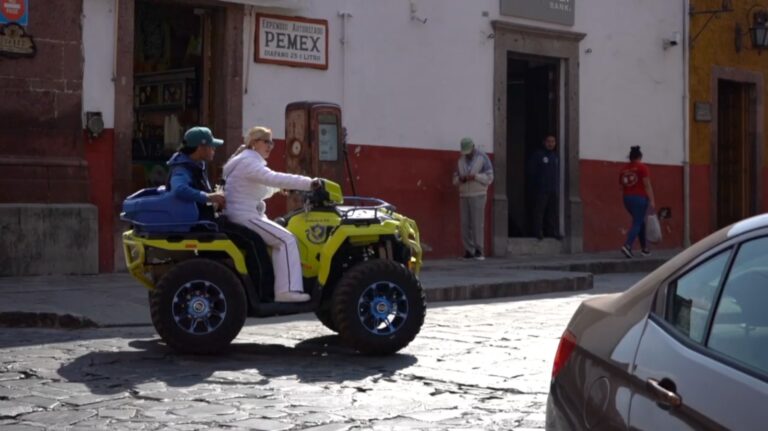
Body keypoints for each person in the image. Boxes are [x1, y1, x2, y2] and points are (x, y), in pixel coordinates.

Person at [222, 126, 319, 303]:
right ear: (254, 143)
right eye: (266, 141)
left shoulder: (243, 160)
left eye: (272, 142)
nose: (270, 146)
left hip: (242, 213)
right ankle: (286, 291)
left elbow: (259, 187)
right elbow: (273, 177)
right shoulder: (249, 162)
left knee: (280, 236)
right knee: (286, 239)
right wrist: (310, 183)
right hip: (246, 216)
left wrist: (278, 189)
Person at [166, 126, 226, 218]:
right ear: (200, 148)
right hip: (192, 224)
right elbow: (179, 189)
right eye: (211, 146)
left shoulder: (197, 164)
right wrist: (209, 197)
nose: (214, 149)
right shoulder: (182, 169)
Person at [452, 137, 494, 260]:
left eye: (468, 152)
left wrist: (475, 176)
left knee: (477, 223)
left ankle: (479, 251)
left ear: (473, 148)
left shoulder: (483, 158)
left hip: (478, 194)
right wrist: (461, 179)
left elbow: (489, 177)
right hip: (464, 194)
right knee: (465, 224)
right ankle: (468, 250)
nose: (467, 155)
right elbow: (454, 179)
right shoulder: (460, 161)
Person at [619, 145, 655, 258]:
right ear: (640, 156)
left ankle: (644, 249)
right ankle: (627, 245)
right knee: (637, 222)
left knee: (639, 221)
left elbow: (622, 186)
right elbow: (647, 185)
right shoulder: (642, 168)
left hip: (627, 198)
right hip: (639, 198)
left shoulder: (623, 169)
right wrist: (652, 200)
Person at [528, 135, 561, 240]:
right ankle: (538, 231)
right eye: (548, 141)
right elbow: (531, 171)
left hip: (553, 189)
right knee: (539, 211)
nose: (551, 144)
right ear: (544, 142)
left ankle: (552, 232)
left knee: (552, 212)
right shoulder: (538, 155)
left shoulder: (555, 157)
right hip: (541, 189)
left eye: (553, 142)